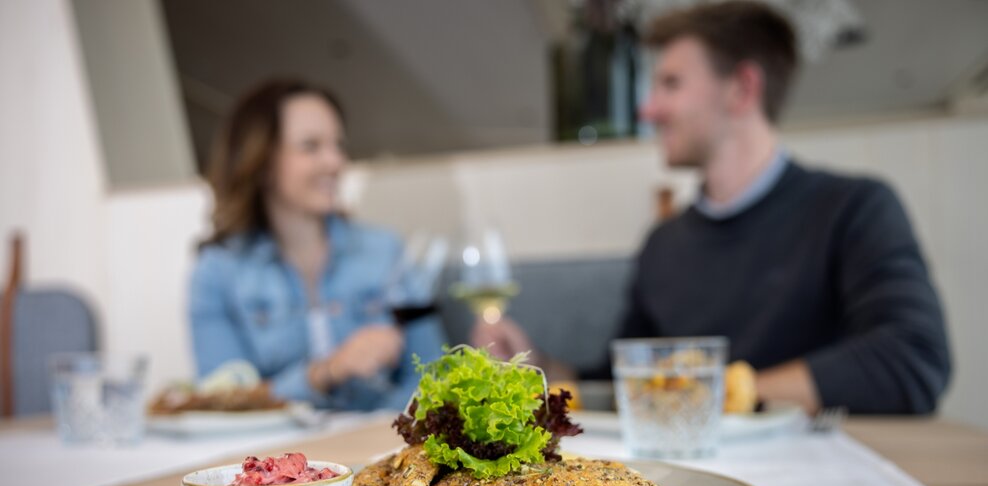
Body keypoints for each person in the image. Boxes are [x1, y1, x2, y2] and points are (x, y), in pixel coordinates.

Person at [474, 1, 950, 415]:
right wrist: (539, 365)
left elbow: (914, 358)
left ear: (741, 89)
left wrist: (716, 395)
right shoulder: (663, 243)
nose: (648, 109)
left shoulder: (854, 208)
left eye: (671, 84)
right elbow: (625, 382)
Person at [189, 78, 444, 411]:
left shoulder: (387, 252)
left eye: (338, 145)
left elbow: (433, 376)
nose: (335, 162)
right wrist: (326, 372)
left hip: (379, 450)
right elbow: (223, 401)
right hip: (275, 459)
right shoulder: (216, 271)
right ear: (261, 162)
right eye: (311, 146)